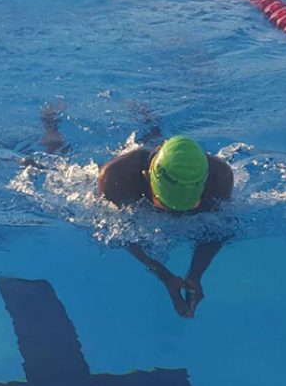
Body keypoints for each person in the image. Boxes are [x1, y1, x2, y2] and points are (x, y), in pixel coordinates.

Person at [97, 135, 234, 319]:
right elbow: (117, 231)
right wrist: (162, 273)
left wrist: (195, 274)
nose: (174, 214)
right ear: (147, 178)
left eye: (189, 207)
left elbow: (217, 232)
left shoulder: (220, 177)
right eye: (163, 204)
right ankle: (51, 126)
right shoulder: (115, 178)